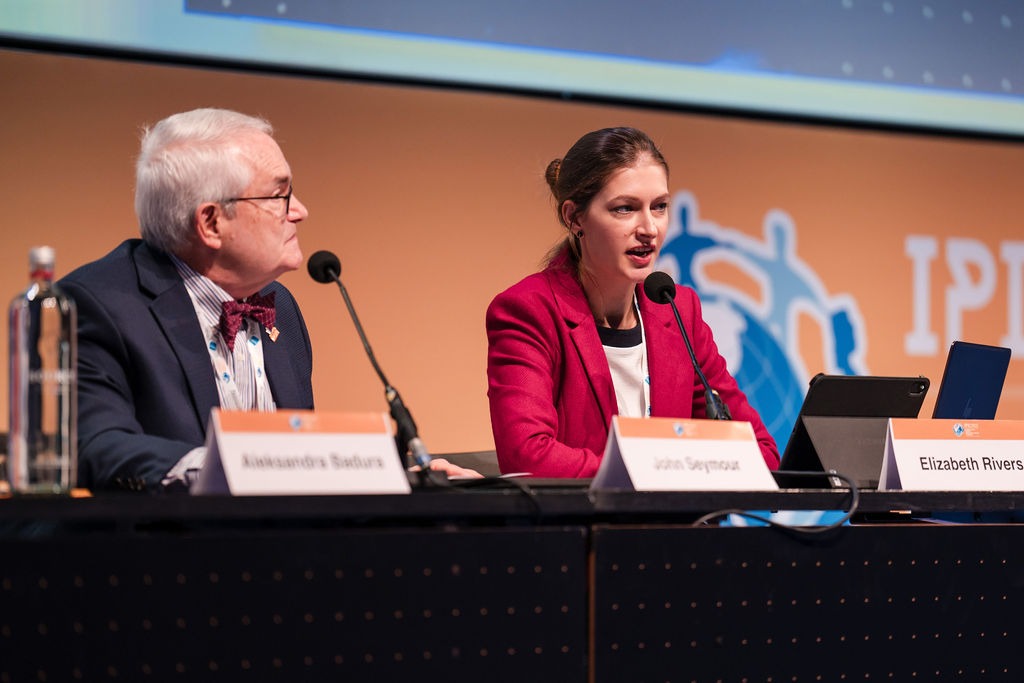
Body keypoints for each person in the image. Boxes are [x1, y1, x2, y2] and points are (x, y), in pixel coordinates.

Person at [60, 108, 476, 491]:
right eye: (280, 196)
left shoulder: (281, 305)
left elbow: (294, 463)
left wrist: (393, 478)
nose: (300, 210)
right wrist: (239, 466)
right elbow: (99, 448)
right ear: (211, 222)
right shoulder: (94, 305)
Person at [485, 127, 778, 477]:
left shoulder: (679, 310)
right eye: (625, 209)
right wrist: (664, 471)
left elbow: (761, 452)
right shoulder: (530, 311)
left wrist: (664, 474)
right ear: (574, 217)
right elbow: (528, 457)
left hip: (679, 531)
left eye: (660, 207)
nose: (649, 228)